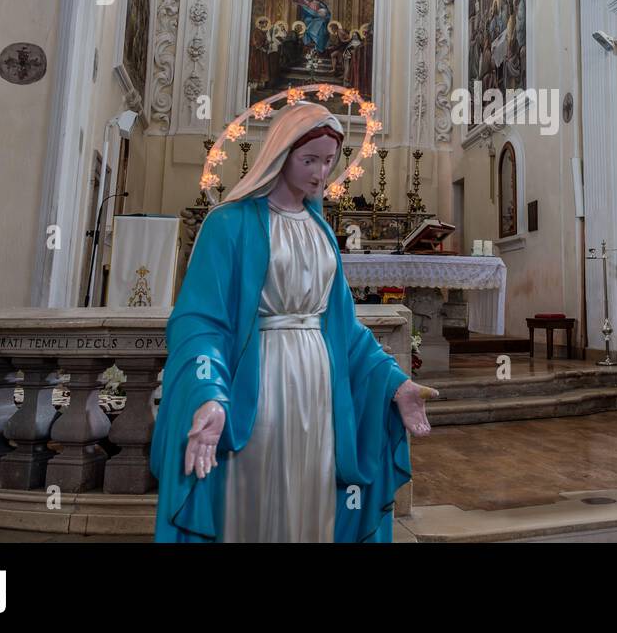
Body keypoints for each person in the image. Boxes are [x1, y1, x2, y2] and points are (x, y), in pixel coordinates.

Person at [150, 102, 437, 542]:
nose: (321, 173)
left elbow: (345, 329)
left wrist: (397, 383)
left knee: (314, 495)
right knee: (255, 496)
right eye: (309, 160)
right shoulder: (228, 224)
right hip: (260, 384)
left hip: (320, 389)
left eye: (328, 161)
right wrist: (207, 393)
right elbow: (198, 322)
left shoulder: (320, 230)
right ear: (280, 154)